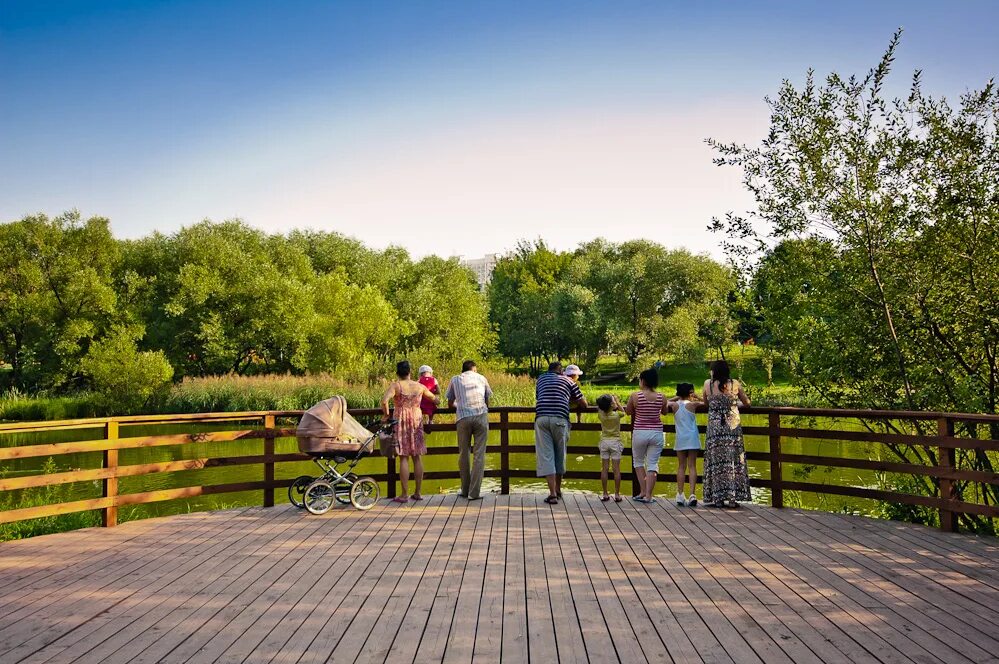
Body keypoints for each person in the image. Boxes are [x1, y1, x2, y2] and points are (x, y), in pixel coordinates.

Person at [381, 360, 438, 503]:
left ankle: (404, 494)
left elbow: (384, 401)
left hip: (401, 419)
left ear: (397, 373)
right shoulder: (419, 386)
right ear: (410, 372)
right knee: (417, 456)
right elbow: (434, 399)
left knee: (404, 456)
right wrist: (435, 400)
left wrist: (386, 415)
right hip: (416, 419)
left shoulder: (396, 386)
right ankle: (418, 493)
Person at [535, 361, 587, 505]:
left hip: (542, 419)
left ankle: (552, 494)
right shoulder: (568, 381)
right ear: (561, 371)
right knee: (560, 454)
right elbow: (584, 404)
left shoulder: (541, 379)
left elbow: (539, 397)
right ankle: (558, 490)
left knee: (546, 456)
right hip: (560, 419)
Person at [702, 360, 751, 508]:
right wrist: (735, 404)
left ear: (714, 371)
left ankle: (717, 498)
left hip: (715, 427)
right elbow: (747, 402)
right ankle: (732, 498)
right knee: (734, 460)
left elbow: (706, 403)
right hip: (732, 426)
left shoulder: (708, 384)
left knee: (716, 462)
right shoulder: (734, 383)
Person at [446, 359, 493, 501]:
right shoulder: (481, 378)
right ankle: (474, 493)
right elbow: (487, 401)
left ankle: (465, 490)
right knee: (479, 455)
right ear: (474, 369)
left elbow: (449, 403)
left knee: (463, 453)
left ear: (463, 369)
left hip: (463, 418)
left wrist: (460, 406)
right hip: (480, 416)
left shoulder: (455, 379)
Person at [626, 368, 668, 503]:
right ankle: (649, 496)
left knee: (638, 462)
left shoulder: (635, 396)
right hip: (656, 432)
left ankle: (643, 491)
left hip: (640, 432)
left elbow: (628, 411)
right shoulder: (662, 396)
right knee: (652, 464)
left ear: (643, 381)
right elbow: (665, 412)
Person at [667, 383, 702, 506]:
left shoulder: (674, 405)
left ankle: (680, 494)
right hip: (692, 438)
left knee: (681, 466)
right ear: (690, 393)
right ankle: (692, 494)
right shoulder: (693, 405)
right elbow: (707, 403)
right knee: (692, 466)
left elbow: (665, 402)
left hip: (680, 438)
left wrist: (676, 398)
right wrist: (697, 397)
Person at [595, 393, 626, 503]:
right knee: (616, 469)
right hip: (615, 442)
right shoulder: (617, 415)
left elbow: (600, 407)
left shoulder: (601, 415)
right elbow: (624, 412)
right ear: (611, 405)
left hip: (604, 442)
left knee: (604, 469)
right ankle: (617, 494)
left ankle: (605, 493)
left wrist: (607, 403)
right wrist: (617, 402)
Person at [417, 365, 440, 434]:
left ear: (421, 373)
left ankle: (421, 421)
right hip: (431, 401)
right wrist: (432, 392)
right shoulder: (434, 380)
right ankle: (430, 420)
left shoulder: (419, 381)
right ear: (430, 372)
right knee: (433, 407)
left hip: (422, 402)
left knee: (419, 409)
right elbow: (438, 391)